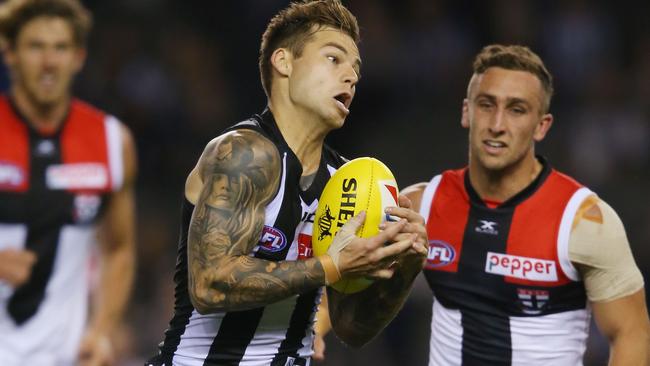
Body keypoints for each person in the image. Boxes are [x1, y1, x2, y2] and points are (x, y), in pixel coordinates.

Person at [146, 1, 427, 365]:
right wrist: (332, 265)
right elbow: (209, 283)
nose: (351, 77)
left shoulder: (345, 180)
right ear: (284, 62)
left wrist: (403, 267)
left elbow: (351, 327)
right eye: (333, 59)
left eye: (356, 68)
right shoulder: (243, 153)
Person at [401, 44, 650, 365]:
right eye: (486, 105)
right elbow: (357, 322)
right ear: (466, 111)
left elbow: (631, 332)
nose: (497, 124)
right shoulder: (421, 204)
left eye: (516, 109)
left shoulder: (585, 220)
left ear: (542, 125)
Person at [0, 0, 137, 365]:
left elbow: (118, 248)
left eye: (60, 48)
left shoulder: (111, 141)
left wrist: (103, 330)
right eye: (35, 47)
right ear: (9, 53)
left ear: (78, 57)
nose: (49, 62)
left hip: (64, 356)